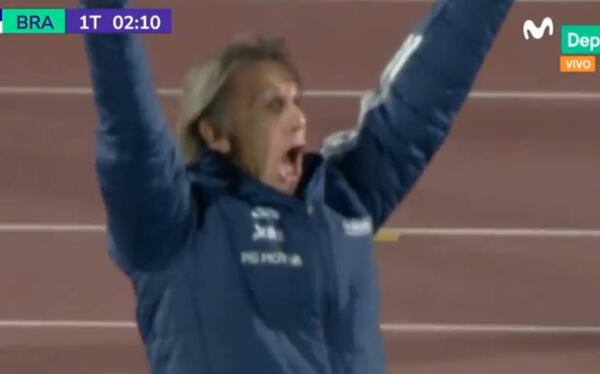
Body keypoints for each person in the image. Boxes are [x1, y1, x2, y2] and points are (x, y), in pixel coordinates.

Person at [81, 0, 514, 373]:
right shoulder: (174, 227)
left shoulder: (342, 200)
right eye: (272, 106)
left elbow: (426, 91)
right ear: (215, 133)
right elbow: (127, 117)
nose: (298, 119)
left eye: (296, 101)